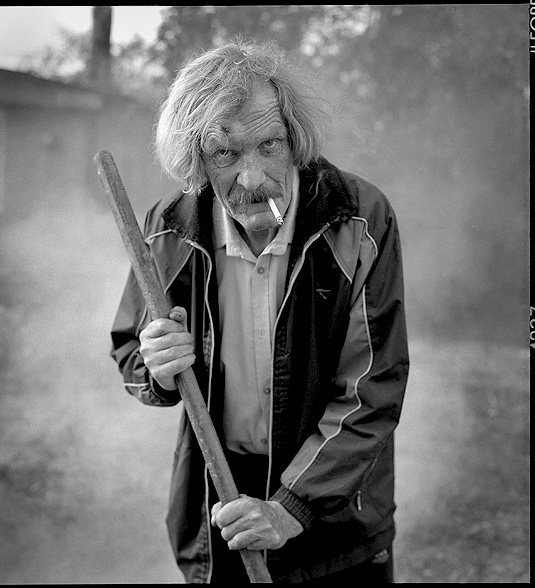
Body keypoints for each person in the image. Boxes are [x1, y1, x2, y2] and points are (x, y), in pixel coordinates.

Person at [110, 39, 409, 584]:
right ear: (196, 159)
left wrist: (291, 507)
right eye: (225, 153)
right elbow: (131, 353)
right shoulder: (167, 231)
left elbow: (373, 387)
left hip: (336, 511)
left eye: (269, 145)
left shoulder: (359, 220)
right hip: (218, 500)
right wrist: (156, 368)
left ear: (295, 141)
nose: (251, 179)